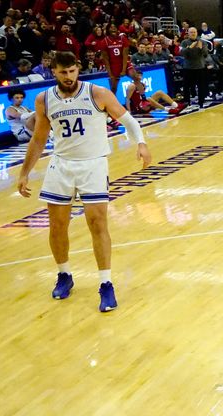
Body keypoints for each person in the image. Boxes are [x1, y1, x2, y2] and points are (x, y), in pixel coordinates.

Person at [15, 51, 152, 312]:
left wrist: (142, 143)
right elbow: (39, 138)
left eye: (72, 71)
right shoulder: (44, 99)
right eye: (62, 72)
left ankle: (106, 283)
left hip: (93, 164)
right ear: (53, 71)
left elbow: (129, 121)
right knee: (56, 225)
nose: (68, 77)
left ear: (78, 69)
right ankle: (64, 274)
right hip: (61, 165)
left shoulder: (97, 93)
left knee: (97, 223)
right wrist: (24, 173)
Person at [181, 27, 210, 108]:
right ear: (188, 33)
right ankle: (187, 102)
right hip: (188, 67)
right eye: (191, 32)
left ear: (197, 33)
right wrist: (189, 48)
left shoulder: (202, 42)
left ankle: (201, 101)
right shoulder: (184, 42)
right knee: (186, 86)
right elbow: (182, 53)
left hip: (199, 67)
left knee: (201, 86)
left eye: (194, 32)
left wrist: (200, 48)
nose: (193, 34)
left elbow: (205, 54)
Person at [98, 24, 130, 95]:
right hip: (113, 66)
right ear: (108, 30)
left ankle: (143, 99)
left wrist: (124, 70)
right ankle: (111, 104)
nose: (113, 29)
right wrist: (110, 74)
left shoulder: (122, 39)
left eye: (115, 27)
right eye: (111, 27)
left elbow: (125, 56)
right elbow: (106, 60)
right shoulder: (104, 42)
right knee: (113, 88)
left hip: (122, 63)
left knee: (136, 77)